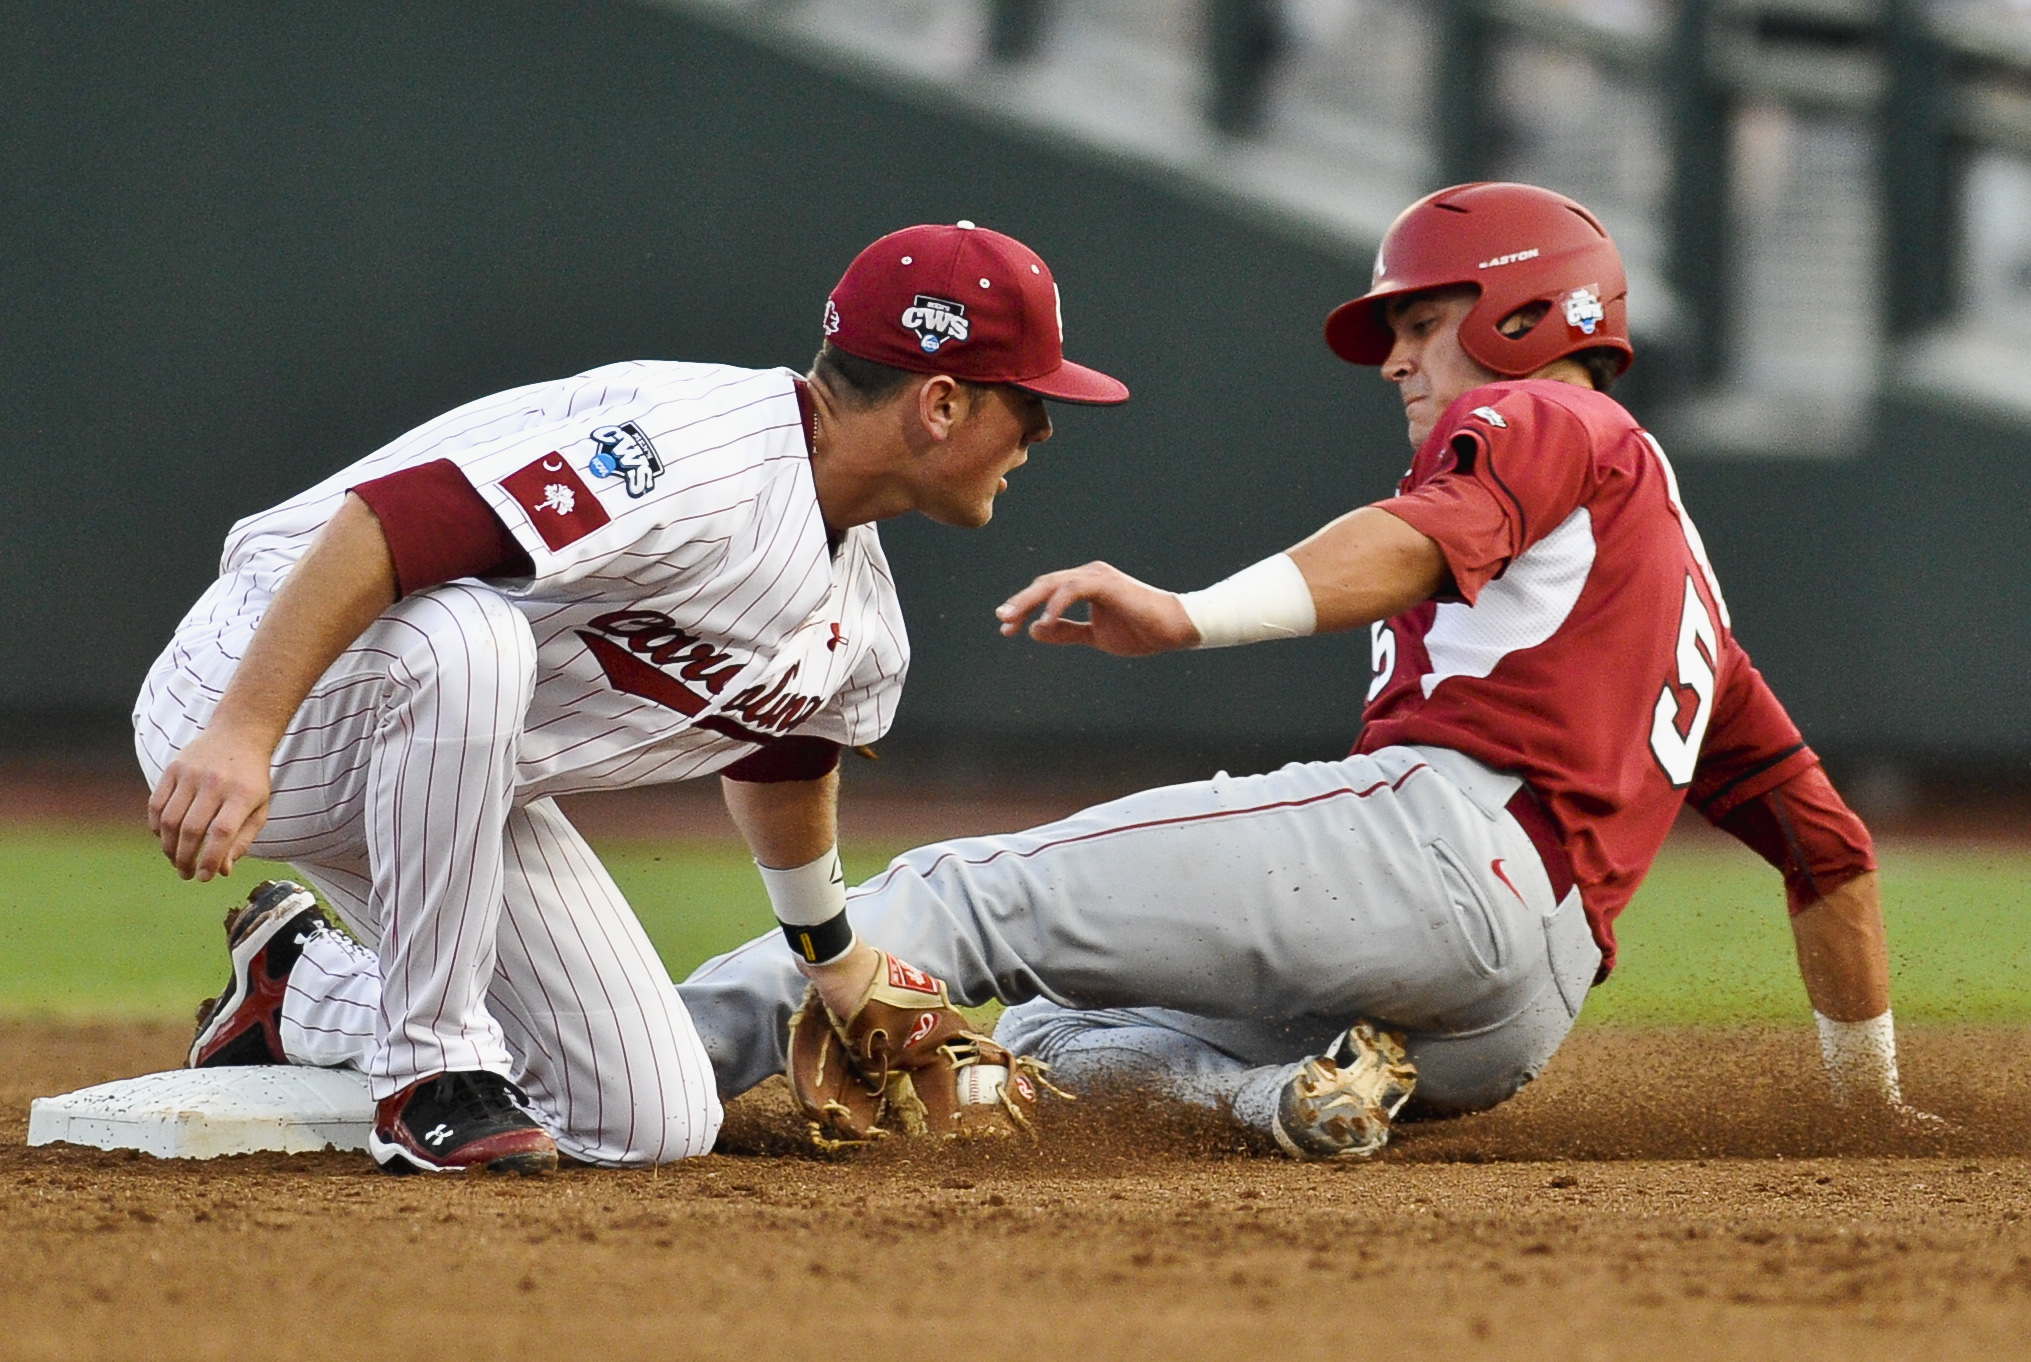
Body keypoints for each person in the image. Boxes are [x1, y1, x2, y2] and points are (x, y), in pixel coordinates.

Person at [677, 182, 1930, 1159]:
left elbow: (1420, 539)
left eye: (1425, 324)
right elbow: (1831, 852)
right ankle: (1272, 1100)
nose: (1398, 361)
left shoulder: (1555, 417)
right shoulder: (1678, 598)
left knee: (959, 896)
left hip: (1446, 856)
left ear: (1529, 318)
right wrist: (1859, 1105)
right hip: (1515, 1017)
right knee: (1058, 1030)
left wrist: (1190, 615)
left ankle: (647, 1068)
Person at [136, 221, 1129, 1173]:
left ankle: (299, 988)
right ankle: (427, 1071)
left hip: (441, 778)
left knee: (653, 1117)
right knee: (474, 633)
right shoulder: (697, 456)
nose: (1042, 426)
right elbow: (385, 526)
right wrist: (240, 729)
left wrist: (834, 957)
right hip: (269, 684)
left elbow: (783, 750)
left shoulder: (860, 620)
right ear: (942, 404)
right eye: (1026, 399)